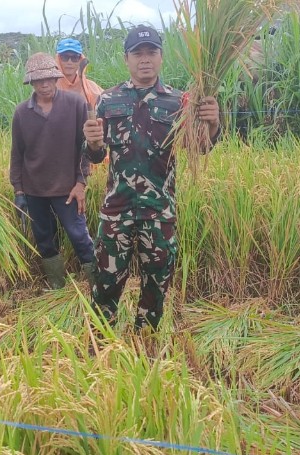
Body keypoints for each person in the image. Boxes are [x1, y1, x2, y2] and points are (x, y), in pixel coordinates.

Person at [82, 25, 221, 332]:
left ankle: (144, 347)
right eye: (137, 54)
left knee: (156, 287)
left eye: (151, 53)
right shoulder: (107, 100)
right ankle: (99, 348)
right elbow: (94, 156)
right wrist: (92, 143)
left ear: (161, 57)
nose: (144, 59)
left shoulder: (179, 102)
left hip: (159, 213)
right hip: (116, 212)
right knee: (105, 284)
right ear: (126, 59)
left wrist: (211, 125)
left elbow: (199, 149)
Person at [10, 52, 96, 289]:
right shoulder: (21, 113)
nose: (45, 84)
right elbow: (17, 153)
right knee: (45, 240)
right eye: (39, 80)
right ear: (31, 83)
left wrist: (81, 183)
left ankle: (98, 288)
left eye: (49, 78)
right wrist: (18, 190)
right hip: (34, 189)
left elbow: (85, 148)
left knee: (79, 236)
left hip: (68, 188)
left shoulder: (75, 104)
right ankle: (57, 287)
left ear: (56, 78)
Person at [55, 38, 104, 110]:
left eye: (74, 57)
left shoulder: (92, 87)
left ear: (80, 60)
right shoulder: (49, 87)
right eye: (65, 57)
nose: (69, 62)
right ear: (58, 59)